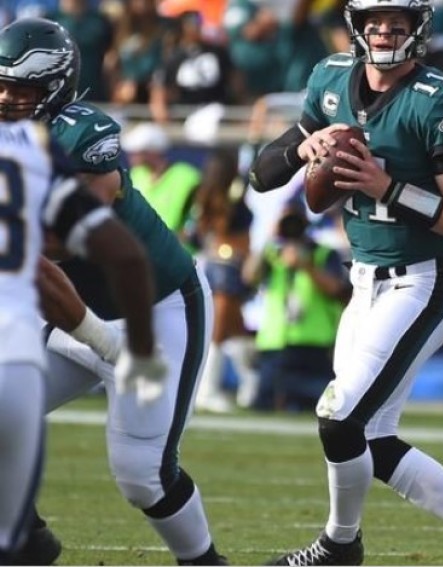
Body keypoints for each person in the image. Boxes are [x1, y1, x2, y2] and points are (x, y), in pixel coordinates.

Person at [249, 0, 443, 564]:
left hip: (422, 283)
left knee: (338, 419)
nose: (386, 31)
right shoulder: (331, 79)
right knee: (369, 441)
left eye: (397, 22)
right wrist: (300, 148)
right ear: (359, 25)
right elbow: (262, 175)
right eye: (376, 20)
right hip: (365, 281)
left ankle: (338, 544)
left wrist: (386, 187)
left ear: (418, 28)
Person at [0, 18, 227, 566]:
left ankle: (204, 562)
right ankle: (25, 540)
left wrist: (113, 348)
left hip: (157, 308)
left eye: (21, 90)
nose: (7, 98)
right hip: (76, 317)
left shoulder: (83, 133)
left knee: (142, 473)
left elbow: (51, 248)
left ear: (53, 91)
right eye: (0, 85)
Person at [0, 119, 165, 565]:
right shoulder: (25, 148)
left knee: (141, 469)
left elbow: (48, 270)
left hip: (22, 345)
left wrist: (112, 347)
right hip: (23, 347)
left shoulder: (55, 142)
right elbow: (123, 259)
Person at [242, 200, 349, 412]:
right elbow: (248, 277)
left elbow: (337, 291)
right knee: (263, 406)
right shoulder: (271, 254)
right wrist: (267, 238)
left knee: (320, 408)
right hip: (275, 344)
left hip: (313, 346)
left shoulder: (324, 253)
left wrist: (306, 265)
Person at [189, 147, 257, 412]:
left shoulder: (236, 202)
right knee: (228, 327)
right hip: (209, 264)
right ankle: (243, 384)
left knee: (222, 327)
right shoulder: (200, 199)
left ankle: (213, 388)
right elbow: (196, 236)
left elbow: (238, 235)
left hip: (229, 268)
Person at [123, 121, 202, 240]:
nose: (131, 155)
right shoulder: (136, 175)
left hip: (179, 250)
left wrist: (184, 236)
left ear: (153, 151)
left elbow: (199, 214)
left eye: (139, 151)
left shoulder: (187, 176)